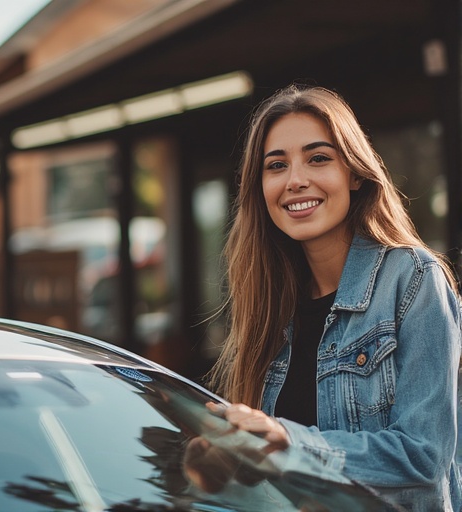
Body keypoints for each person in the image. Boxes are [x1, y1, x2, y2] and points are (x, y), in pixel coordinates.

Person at [184, 84, 461, 511]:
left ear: (354, 174)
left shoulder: (412, 278)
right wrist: (224, 465)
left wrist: (289, 441)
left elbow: (423, 458)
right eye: (276, 165)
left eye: (318, 158)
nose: (296, 180)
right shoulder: (269, 301)